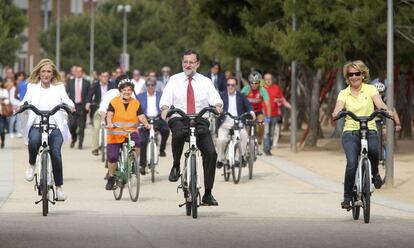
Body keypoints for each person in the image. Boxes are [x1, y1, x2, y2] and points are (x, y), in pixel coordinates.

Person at [160, 49, 223, 206]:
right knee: (179, 134)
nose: (187, 65)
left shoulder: (205, 81)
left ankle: (208, 193)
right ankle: (175, 166)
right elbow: (165, 99)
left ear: (198, 64)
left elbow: (216, 98)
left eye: (191, 62)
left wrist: (218, 106)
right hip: (179, 117)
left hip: (200, 119)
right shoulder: (174, 80)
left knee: (211, 153)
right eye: (185, 62)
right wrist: (165, 109)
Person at [332, 60, 392, 209]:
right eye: (350, 74)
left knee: (373, 149)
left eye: (357, 73)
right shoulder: (344, 93)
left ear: (363, 74)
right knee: (352, 163)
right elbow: (338, 107)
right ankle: (347, 197)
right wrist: (336, 112)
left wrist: (385, 110)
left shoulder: (370, 89)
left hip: (369, 128)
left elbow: (379, 103)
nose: (354, 77)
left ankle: (375, 173)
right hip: (350, 131)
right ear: (347, 77)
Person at [17, 58, 75, 201]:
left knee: (56, 153)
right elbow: (26, 100)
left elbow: (66, 100)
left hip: (54, 126)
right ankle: (31, 164)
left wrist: (70, 106)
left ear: (53, 73)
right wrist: (20, 107)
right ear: (39, 73)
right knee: (34, 141)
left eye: (49, 71)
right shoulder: (32, 86)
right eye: (43, 71)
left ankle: (59, 188)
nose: (46, 74)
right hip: (37, 124)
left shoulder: (59, 87)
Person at [105, 79, 150, 190]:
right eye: (124, 90)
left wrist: (146, 124)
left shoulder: (135, 103)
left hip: (131, 131)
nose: (127, 92)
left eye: (129, 90)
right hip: (115, 132)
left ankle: (133, 163)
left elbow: (141, 116)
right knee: (113, 157)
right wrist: (110, 123)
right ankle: (111, 177)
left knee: (138, 143)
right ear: (120, 91)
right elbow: (109, 115)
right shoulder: (114, 102)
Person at [216, 77, 254, 168]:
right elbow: (216, 105)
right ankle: (220, 159)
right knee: (221, 140)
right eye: (228, 85)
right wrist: (217, 110)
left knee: (244, 136)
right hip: (225, 123)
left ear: (236, 86)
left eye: (232, 85)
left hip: (238, 122)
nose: (230, 87)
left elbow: (248, 106)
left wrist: (251, 112)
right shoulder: (221, 95)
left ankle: (239, 157)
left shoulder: (241, 96)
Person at [136, 77, 170, 175]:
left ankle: (162, 149)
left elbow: (166, 106)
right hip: (144, 120)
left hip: (158, 119)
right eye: (148, 85)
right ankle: (142, 165)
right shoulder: (140, 96)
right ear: (146, 86)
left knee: (166, 130)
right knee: (142, 141)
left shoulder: (161, 95)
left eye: (152, 85)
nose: (150, 87)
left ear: (155, 86)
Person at [86, 71, 116, 156]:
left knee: (111, 127)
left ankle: (111, 146)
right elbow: (90, 95)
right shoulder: (95, 85)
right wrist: (88, 103)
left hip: (109, 109)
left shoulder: (112, 85)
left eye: (106, 76)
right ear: (100, 77)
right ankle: (95, 148)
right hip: (98, 108)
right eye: (103, 76)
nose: (105, 78)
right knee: (96, 127)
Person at [241, 71, 271, 152]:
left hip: (258, 111)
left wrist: (268, 117)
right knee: (246, 129)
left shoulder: (262, 90)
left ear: (259, 83)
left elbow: (267, 104)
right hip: (248, 111)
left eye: (256, 83)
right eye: (252, 83)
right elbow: (240, 100)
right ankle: (245, 144)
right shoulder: (246, 89)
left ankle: (260, 137)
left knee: (261, 123)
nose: (254, 85)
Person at [262, 73, 291, 155]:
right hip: (266, 114)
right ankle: (266, 148)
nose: (268, 81)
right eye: (266, 79)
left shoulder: (276, 88)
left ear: (272, 80)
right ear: (264, 80)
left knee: (272, 131)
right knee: (267, 130)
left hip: (275, 114)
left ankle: (268, 146)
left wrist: (289, 106)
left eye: (270, 79)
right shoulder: (262, 89)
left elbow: (282, 99)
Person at [66, 66, 90, 149]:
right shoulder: (70, 82)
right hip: (73, 106)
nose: (78, 73)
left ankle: (80, 143)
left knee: (82, 126)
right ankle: (74, 138)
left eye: (80, 71)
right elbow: (66, 95)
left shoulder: (87, 83)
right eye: (77, 71)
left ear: (82, 72)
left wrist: (88, 103)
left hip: (82, 107)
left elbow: (88, 95)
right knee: (72, 125)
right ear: (74, 72)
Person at [0, 79, 10, 148]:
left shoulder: (4, 91)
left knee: (1, 130)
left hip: (2, 113)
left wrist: (2, 101)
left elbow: (7, 102)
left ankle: (2, 141)